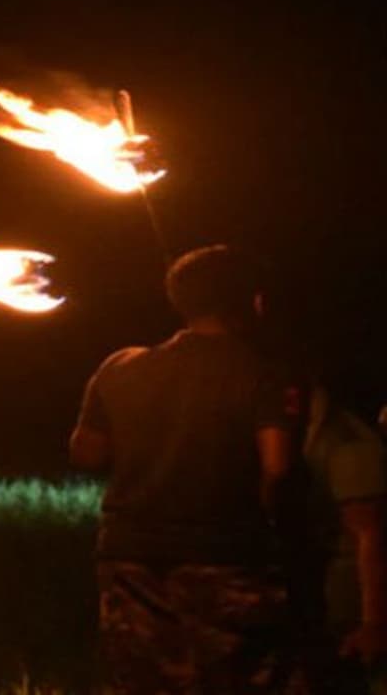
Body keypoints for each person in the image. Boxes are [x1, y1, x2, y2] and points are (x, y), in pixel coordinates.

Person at [70, 245, 300, 693]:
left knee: (144, 681)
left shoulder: (120, 366)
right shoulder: (265, 372)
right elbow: (277, 463)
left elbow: (86, 454)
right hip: (227, 556)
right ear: (253, 301)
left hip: (130, 556)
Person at [292, 385, 387, 693]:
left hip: (350, 608)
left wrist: (374, 623)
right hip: (327, 605)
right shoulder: (307, 436)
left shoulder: (346, 444)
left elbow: (371, 533)